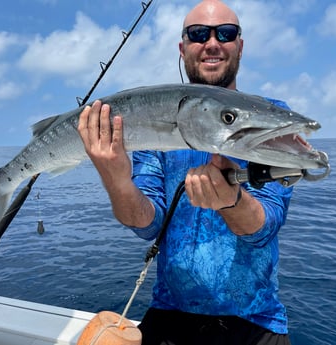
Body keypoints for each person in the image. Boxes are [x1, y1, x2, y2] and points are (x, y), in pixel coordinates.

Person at [78, 1, 292, 344]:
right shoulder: (153, 127)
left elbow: (265, 226)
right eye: (198, 34)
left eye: (226, 33)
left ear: (240, 44)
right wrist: (116, 178)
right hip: (169, 315)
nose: (212, 43)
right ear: (183, 48)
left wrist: (232, 202)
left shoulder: (270, 118)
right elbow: (148, 225)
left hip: (254, 319)